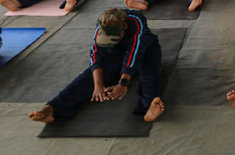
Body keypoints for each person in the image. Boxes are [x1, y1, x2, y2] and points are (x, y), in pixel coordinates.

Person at [28, 8, 164, 124]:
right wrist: (97, 85)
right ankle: (52, 109)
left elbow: (134, 53)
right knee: (87, 77)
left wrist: (123, 83)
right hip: (115, 53)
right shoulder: (102, 23)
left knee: (149, 74)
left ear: (124, 29)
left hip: (146, 50)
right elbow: (96, 54)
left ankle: (148, 108)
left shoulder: (136, 20)